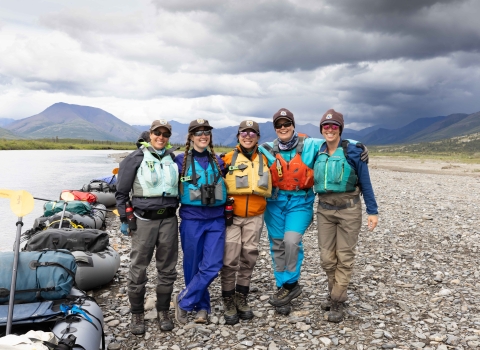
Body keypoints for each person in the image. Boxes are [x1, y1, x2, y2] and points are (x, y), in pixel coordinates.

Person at [258, 108, 369, 315]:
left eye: (287, 124)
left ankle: (290, 285)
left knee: (291, 241)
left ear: (293, 125)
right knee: (277, 245)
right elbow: (244, 153)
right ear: (275, 128)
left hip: (300, 201)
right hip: (274, 203)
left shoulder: (310, 145)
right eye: (279, 125)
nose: (283, 128)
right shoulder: (265, 149)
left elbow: (335, 140)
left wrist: (359, 146)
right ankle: (283, 287)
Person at [314, 109, 378, 323]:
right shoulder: (318, 149)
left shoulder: (353, 151)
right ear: (321, 129)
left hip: (349, 209)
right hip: (324, 209)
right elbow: (292, 142)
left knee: (345, 255)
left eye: (334, 126)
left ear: (340, 129)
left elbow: (366, 182)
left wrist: (373, 211)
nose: (329, 129)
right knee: (326, 258)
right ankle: (335, 292)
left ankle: (337, 300)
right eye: (326, 126)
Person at [115, 119, 179, 335]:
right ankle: (137, 313)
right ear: (149, 134)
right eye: (157, 133)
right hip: (143, 221)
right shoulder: (135, 158)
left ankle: (163, 310)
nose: (161, 137)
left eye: (165, 134)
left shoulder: (173, 158)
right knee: (138, 267)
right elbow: (121, 193)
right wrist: (125, 219)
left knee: (168, 268)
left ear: (168, 137)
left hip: (169, 220)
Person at [173, 119, 227, 325]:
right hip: (191, 219)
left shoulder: (219, 161)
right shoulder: (180, 161)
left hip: (216, 220)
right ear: (191, 137)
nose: (203, 135)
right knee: (192, 265)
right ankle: (202, 307)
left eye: (206, 132)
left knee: (213, 264)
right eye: (198, 132)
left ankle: (184, 300)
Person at [220, 120, 272, 325]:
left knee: (249, 256)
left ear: (258, 137)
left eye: (252, 133)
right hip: (232, 217)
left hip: (256, 216)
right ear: (238, 135)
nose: (248, 136)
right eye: (244, 132)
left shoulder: (267, 158)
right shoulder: (226, 158)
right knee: (230, 258)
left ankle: (242, 296)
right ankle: (227, 298)